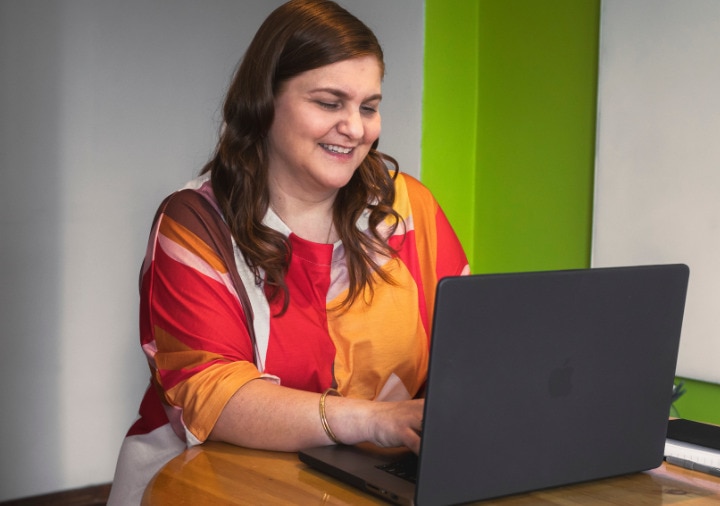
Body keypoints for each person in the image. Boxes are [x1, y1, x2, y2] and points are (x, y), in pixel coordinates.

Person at [108, 1, 469, 503]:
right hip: (207, 484)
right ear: (264, 101)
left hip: (362, 482)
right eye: (329, 102)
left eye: (368, 106)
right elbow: (212, 397)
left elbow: (469, 349)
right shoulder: (194, 223)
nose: (356, 127)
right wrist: (371, 418)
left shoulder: (410, 208)